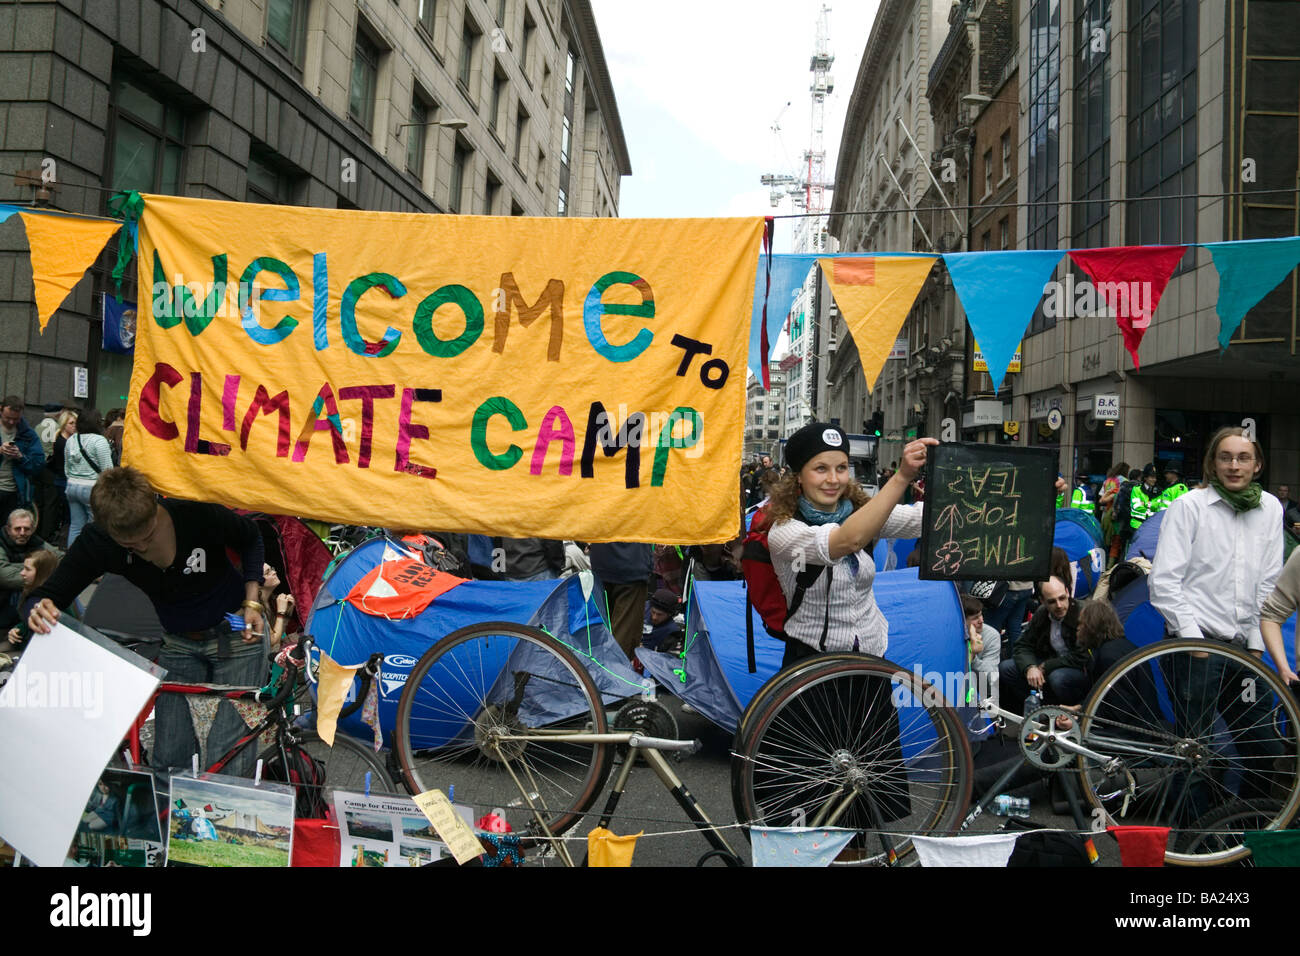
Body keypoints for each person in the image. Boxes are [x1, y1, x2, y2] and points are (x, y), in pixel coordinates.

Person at [25, 466, 267, 776]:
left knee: (230, 753)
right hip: (178, 642)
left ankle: (224, 819)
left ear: (155, 506)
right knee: (169, 755)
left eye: (148, 536)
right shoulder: (98, 541)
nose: (141, 549)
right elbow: (46, 594)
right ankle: (174, 820)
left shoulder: (195, 512)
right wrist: (37, 608)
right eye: (128, 546)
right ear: (107, 529)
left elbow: (251, 538)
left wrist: (252, 601)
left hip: (237, 633)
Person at [1148, 426, 1284, 803]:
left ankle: (1251, 832)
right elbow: (1164, 581)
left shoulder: (1270, 508)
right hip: (1197, 644)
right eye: (1226, 457)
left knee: (1263, 747)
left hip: (1243, 648)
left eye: (1243, 458)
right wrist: (1194, 640)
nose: (1234, 466)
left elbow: (1269, 581)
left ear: (1257, 464)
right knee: (1196, 754)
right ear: (1212, 463)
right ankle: (1193, 847)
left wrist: (1257, 644)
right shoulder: (1189, 507)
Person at [998, 575, 1090, 712]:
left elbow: (1082, 656)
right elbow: (1022, 645)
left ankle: (1069, 711)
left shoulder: (1082, 613)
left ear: (1067, 592)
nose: (1059, 605)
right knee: (1006, 667)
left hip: (1078, 671)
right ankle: (1039, 707)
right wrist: (1030, 667)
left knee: (1058, 678)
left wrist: (1047, 666)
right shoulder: (1042, 614)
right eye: (1052, 601)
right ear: (1042, 601)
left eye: (1062, 598)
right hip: (1048, 664)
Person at [588, 542, 653, 662]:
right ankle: (613, 674)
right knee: (624, 637)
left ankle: (597, 672)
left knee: (599, 631)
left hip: (601, 561)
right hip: (632, 566)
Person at [0, 508, 59, 631]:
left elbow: (61, 558)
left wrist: (32, 568)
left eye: (27, 529)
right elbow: (5, 576)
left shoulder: (35, 541)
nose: (22, 533)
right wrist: (40, 568)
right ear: (8, 529)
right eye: (17, 529)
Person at [64, 408, 114, 547]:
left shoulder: (72, 439)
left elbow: (67, 468)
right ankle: (91, 559)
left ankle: (72, 558)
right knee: (95, 527)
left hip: (72, 486)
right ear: (98, 422)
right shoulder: (99, 441)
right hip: (92, 488)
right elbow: (107, 471)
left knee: (75, 526)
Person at [2, 548, 59, 651]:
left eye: (27, 569)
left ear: (42, 574)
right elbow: (27, 622)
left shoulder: (48, 602)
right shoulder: (30, 592)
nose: (22, 573)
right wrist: (19, 628)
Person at [0, 396, 46, 520]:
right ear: (1, 410)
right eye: (8, 418)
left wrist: (20, 457)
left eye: (16, 419)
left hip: (15, 493)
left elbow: (39, 464)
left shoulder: (28, 434)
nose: (11, 422)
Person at [959, 593, 1001, 708]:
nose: (981, 620)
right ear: (962, 621)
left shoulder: (991, 635)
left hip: (980, 686)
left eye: (981, 615)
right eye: (975, 618)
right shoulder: (954, 634)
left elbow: (991, 676)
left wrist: (973, 655)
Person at [641, 587, 684, 653]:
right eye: (653, 612)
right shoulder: (642, 609)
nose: (654, 617)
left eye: (659, 614)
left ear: (669, 615)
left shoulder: (672, 632)